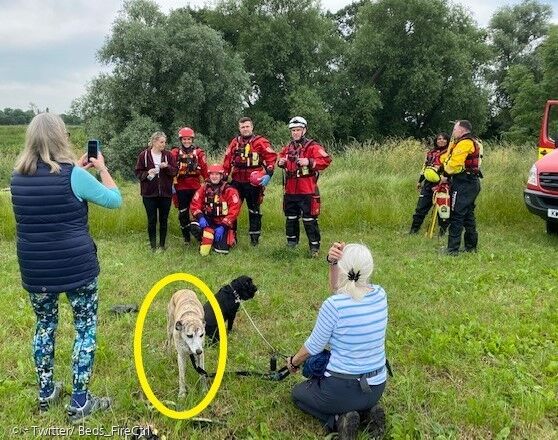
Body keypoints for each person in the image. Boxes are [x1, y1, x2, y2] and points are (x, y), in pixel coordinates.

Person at [10, 113, 122, 422]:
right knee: (84, 329)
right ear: (62, 137)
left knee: (44, 327)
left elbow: (49, 192)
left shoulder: (16, 177)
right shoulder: (74, 175)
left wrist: (77, 168)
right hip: (77, 268)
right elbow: (114, 199)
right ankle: (80, 401)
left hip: (35, 268)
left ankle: (46, 393)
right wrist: (101, 169)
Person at [287, 242, 388, 440]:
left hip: (340, 388)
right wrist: (333, 263)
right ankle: (368, 412)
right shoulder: (380, 295)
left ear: (343, 268)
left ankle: (338, 418)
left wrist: (293, 362)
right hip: (377, 386)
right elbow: (342, 291)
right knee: (359, 399)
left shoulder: (334, 306)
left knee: (298, 395)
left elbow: (313, 347)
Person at [277, 116, 332, 257]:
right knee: (291, 218)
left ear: (304, 130)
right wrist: (281, 162)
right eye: (293, 130)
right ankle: (291, 244)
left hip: (307, 189)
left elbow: (326, 160)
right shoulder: (288, 147)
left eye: (298, 130)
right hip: (290, 189)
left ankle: (314, 247)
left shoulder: (312, 146)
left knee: (309, 219)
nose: (295, 133)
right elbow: (279, 157)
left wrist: (309, 161)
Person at [223, 117, 277, 246]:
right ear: (239, 128)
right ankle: (232, 237)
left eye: (247, 126)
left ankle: (254, 240)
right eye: (242, 127)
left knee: (254, 210)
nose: (245, 129)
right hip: (237, 181)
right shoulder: (234, 143)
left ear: (252, 127)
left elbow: (271, 158)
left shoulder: (260, 142)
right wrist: (224, 178)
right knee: (232, 209)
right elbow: (227, 160)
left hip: (253, 182)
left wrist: (268, 174)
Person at [439, 120, 483, 255]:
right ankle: (471, 247)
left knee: (457, 214)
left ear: (462, 130)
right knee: (468, 214)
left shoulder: (465, 143)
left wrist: (445, 174)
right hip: (469, 183)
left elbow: (454, 164)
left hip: (464, 182)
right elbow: (445, 158)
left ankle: (452, 250)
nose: (453, 132)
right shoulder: (468, 141)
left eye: (454, 129)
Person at [135, 132, 178, 251]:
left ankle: (162, 245)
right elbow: (138, 173)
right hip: (149, 194)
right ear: (154, 142)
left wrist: (167, 167)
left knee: (164, 220)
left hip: (165, 193)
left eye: (164, 142)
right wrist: (147, 173)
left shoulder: (168, 155)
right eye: (161, 142)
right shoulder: (143, 155)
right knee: (152, 220)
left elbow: (175, 171)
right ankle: (153, 246)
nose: (164, 144)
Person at [190, 164, 241, 255]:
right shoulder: (204, 188)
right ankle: (207, 237)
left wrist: (223, 226)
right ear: (209, 176)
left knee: (221, 251)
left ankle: (219, 238)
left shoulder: (229, 190)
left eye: (217, 174)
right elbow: (195, 204)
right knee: (194, 225)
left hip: (222, 223)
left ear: (221, 176)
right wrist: (200, 217)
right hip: (208, 220)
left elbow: (234, 210)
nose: (214, 177)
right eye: (212, 174)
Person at [171, 127, 208, 244]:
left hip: (195, 187)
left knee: (198, 211)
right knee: (183, 213)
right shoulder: (175, 153)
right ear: (181, 140)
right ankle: (186, 238)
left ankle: (200, 235)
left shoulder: (199, 153)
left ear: (192, 140)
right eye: (184, 139)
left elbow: (205, 170)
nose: (186, 141)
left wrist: (209, 184)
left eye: (189, 139)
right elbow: (170, 170)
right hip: (180, 187)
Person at [409, 133, 450, 235]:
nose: (441, 141)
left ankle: (442, 233)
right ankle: (414, 230)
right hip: (428, 184)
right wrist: (419, 181)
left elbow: (451, 168)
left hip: (443, 184)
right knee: (421, 208)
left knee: (442, 209)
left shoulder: (449, 153)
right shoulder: (430, 153)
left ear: (448, 140)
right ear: (436, 140)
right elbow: (425, 169)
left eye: (444, 139)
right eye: (439, 139)